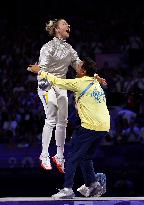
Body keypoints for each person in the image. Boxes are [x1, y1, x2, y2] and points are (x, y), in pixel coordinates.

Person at [29, 18, 107, 173]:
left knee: (63, 121)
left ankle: (59, 155)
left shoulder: (70, 49)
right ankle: (44, 154)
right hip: (46, 83)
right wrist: (42, 78)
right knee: (51, 116)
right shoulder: (47, 47)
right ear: (57, 29)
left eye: (68, 24)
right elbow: (41, 69)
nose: (68, 26)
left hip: (60, 84)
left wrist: (95, 75)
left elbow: (80, 65)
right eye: (65, 24)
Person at [27, 56, 110, 198]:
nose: (77, 65)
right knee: (85, 156)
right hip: (104, 127)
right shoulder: (95, 81)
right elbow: (90, 74)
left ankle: (67, 189)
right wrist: (97, 76)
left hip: (90, 126)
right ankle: (94, 185)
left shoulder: (80, 83)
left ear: (83, 71)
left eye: (79, 65)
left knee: (72, 157)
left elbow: (58, 82)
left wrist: (40, 71)